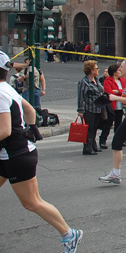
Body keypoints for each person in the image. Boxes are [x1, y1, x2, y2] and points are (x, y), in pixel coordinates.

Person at [0, 51, 83, 253]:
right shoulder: (7, 89)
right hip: (12, 153)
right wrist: (32, 128)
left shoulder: (1, 93)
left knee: (32, 202)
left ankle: (69, 233)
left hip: (16, 155)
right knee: (33, 201)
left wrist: (29, 130)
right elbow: (29, 109)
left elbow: (4, 130)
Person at [77, 60, 105, 155]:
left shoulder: (96, 80)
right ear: (91, 70)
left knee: (94, 128)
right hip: (88, 108)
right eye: (96, 68)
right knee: (89, 129)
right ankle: (87, 148)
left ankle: (93, 145)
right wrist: (80, 110)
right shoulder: (84, 82)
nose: (98, 70)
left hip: (98, 108)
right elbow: (81, 96)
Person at [99, 64, 126, 149]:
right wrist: (120, 92)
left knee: (119, 124)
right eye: (118, 70)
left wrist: (118, 91)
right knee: (108, 124)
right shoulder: (108, 80)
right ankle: (102, 140)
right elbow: (108, 92)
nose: (120, 71)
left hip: (121, 105)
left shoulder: (123, 80)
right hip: (111, 106)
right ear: (114, 72)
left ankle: (118, 140)